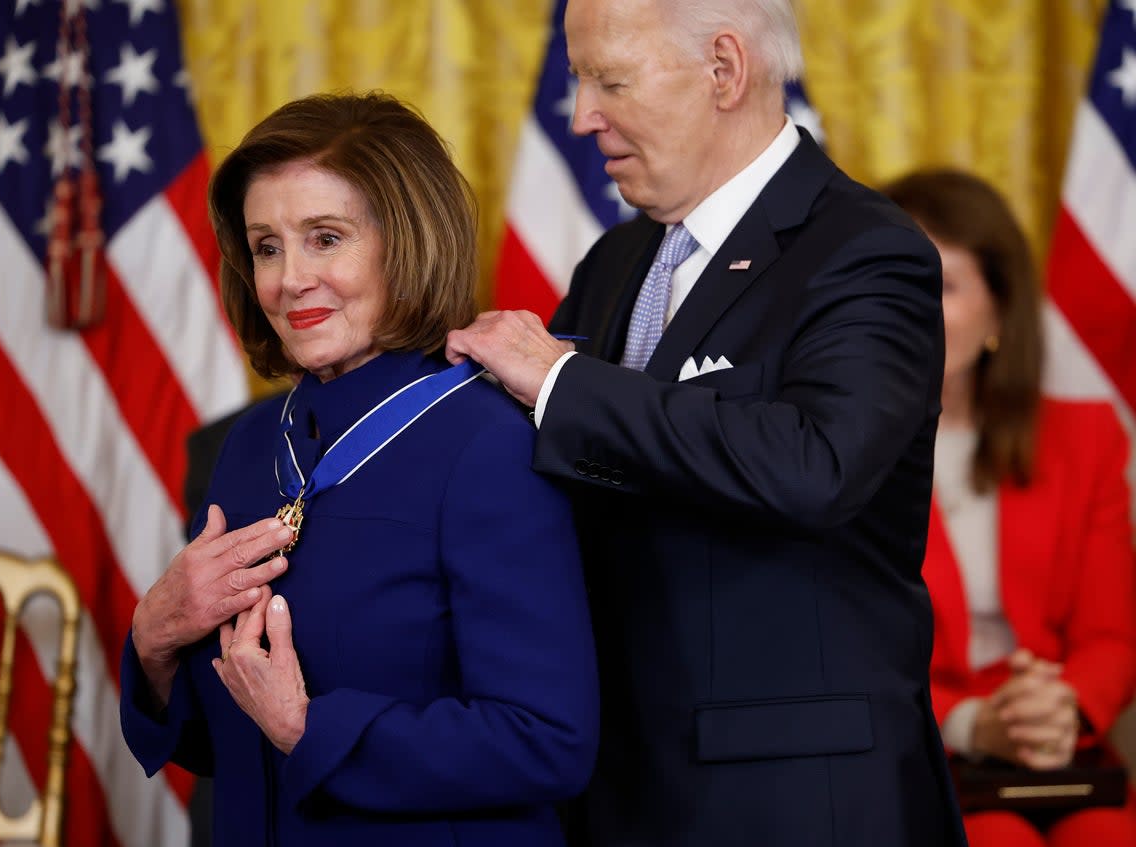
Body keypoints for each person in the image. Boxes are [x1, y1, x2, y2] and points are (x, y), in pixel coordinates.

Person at [446, 0, 966, 844]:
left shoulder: (866, 250)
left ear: (724, 68)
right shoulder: (615, 263)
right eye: (580, 81)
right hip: (618, 787)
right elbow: (574, 471)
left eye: (610, 80)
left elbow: (815, 464)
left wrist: (560, 381)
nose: (582, 117)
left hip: (794, 800)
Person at [119, 91, 599, 846]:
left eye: (325, 238)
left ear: (404, 244)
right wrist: (154, 642)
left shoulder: (488, 443)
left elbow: (549, 742)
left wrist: (309, 726)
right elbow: (220, 744)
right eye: (267, 246)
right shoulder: (245, 449)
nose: (288, 280)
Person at [883, 168, 1136, 846]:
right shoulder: (833, 449)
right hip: (916, 753)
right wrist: (969, 724)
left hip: (1060, 748)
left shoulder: (1085, 439)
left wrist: (1058, 711)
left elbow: (1111, 636)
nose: (909, 306)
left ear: (998, 311)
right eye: (891, 280)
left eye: (940, 284)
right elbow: (849, 654)